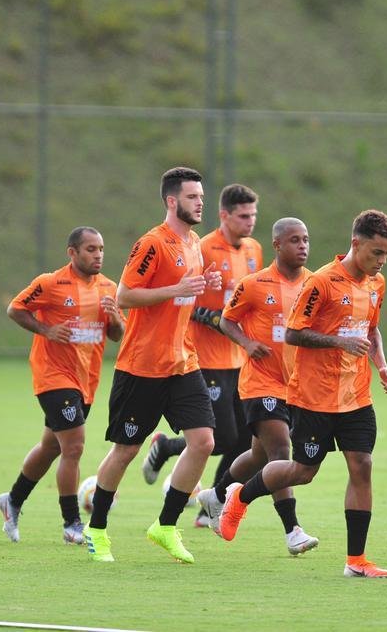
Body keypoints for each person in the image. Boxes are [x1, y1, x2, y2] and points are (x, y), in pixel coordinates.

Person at [216, 210, 387, 578]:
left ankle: (356, 561)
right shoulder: (321, 283)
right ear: (356, 244)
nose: (381, 261)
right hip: (314, 396)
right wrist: (339, 342)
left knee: (362, 466)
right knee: (303, 471)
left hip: (356, 395)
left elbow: (371, 329)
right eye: (376, 253)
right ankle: (240, 495)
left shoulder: (376, 284)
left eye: (386, 254)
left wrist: (381, 366)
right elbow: (294, 333)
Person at [82, 167, 223, 564]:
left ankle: (165, 525)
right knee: (126, 450)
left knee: (204, 441)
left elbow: (181, 296)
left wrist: (202, 284)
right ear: (172, 201)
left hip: (183, 361)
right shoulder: (152, 243)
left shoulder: (193, 243)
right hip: (142, 366)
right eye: (193, 197)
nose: (200, 203)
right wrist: (178, 288)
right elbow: (125, 295)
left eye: (202, 196)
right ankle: (97, 529)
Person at [193, 216, 319, 555]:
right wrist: (247, 344)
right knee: (281, 451)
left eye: (306, 240)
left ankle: (216, 494)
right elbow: (226, 320)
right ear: (277, 245)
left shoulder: (314, 284)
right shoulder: (254, 284)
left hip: (295, 385)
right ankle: (293, 531)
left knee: (258, 455)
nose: (302, 246)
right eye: (294, 240)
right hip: (260, 383)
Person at [141, 184, 263, 530]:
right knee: (220, 438)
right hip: (205, 358)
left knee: (244, 439)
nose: (250, 222)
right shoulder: (204, 247)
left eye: (253, 215)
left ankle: (211, 506)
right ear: (224, 215)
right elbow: (185, 300)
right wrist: (218, 320)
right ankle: (166, 447)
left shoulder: (254, 249)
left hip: (241, 359)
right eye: (243, 216)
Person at [0, 227, 125, 545]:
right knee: (74, 446)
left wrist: (116, 320)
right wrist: (47, 330)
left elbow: (116, 335)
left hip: (86, 380)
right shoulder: (50, 283)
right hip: (53, 375)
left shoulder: (109, 288)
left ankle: (12, 500)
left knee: (51, 447)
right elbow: (16, 309)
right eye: (90, 249)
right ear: (72, 252)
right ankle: (72, 523)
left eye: (101, 249)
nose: (98, 255)